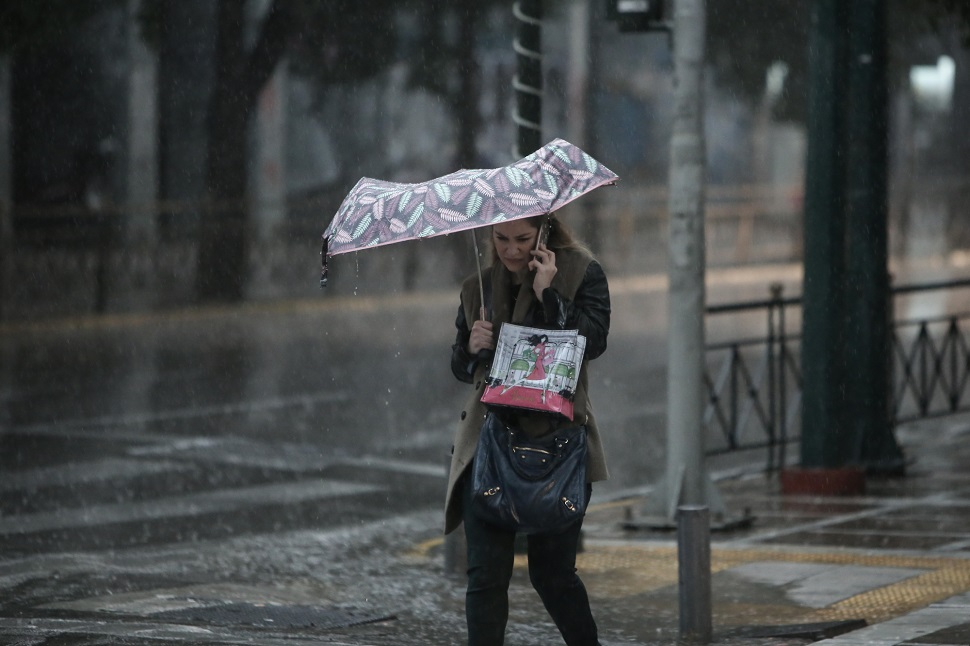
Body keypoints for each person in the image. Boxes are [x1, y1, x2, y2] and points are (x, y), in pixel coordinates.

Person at [444, 212, 611, 646]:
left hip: (556, 445)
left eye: (522, 238)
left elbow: (593, 342)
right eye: (501, 239)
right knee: (485, 575)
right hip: (489, 444)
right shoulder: (477, 288)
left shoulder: (581, 273)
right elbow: (461, 369)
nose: (512, 250)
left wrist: (549, 294)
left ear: (545, 233)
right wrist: (469, 347)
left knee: (552, 576)